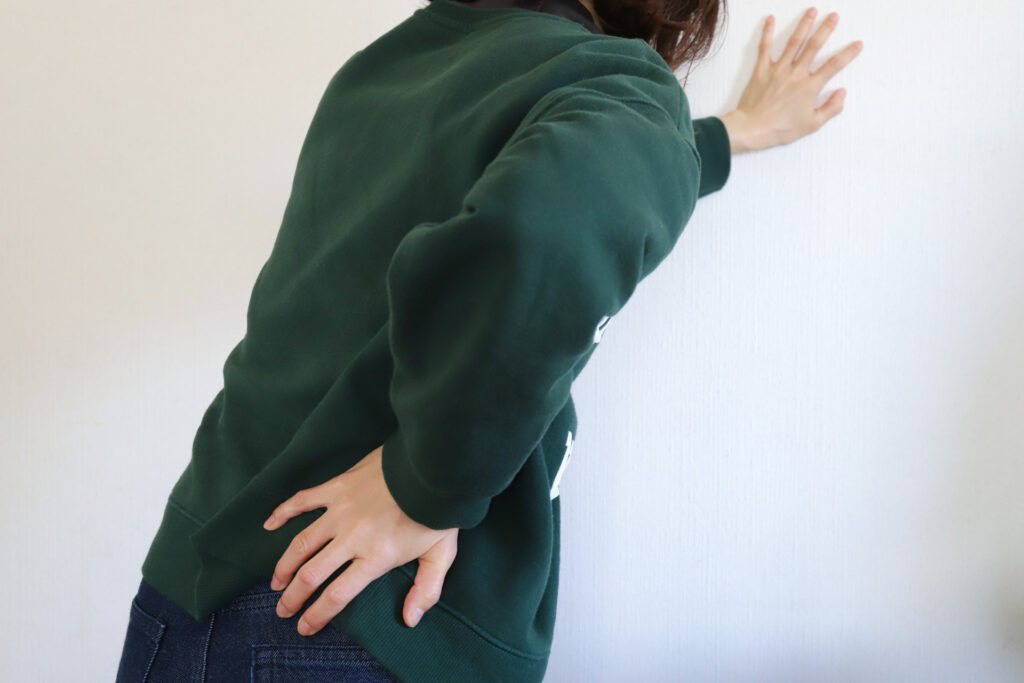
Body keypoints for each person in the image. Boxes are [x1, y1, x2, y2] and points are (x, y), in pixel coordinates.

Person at [115, 1, 862, 681]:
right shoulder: (614, 84)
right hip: (361, 613)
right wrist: (425, 486)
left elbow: (547, 170)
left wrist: (729, 133)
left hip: (193, 588)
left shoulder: (390, 67)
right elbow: (552, 229)